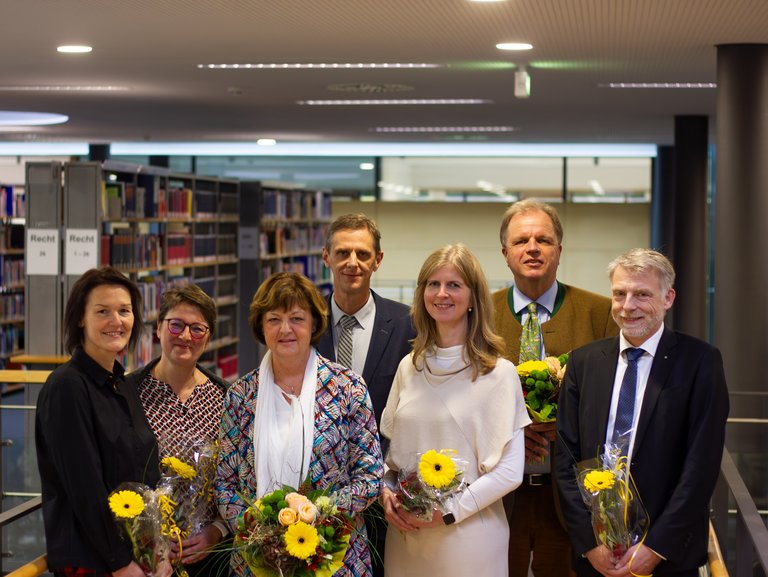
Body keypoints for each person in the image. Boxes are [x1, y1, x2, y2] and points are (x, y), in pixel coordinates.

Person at [555, 248, 729, 577]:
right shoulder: (584, 362)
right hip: (596, 557)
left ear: (668, 298)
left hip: (667, 557)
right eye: (619, 294)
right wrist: (589, 544)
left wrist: (656, 546)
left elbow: (701, 465)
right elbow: (565, 457)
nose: (628, 306)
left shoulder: (700, 362)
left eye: (642, 294)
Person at [215, 271, 384, 577]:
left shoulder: (348, 389)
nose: (285, 329)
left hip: (334, 558)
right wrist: (263, 531)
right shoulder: (240, 396)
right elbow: (225, 485)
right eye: (274, 319)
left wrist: (316, 517)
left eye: (296, 318)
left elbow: (371, 476)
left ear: (314, 324)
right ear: (261, 327)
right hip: (257, 561)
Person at [380, 243, 530, 577]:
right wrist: (386, 492)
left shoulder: (499, 373)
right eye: (433, 284)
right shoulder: (409, 367)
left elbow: (510, 472)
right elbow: (392, 458)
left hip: (470, 536)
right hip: (407, 535)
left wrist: (448, 512)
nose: (441, 293)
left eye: (454, 285)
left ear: (474, 298)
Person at [492, 199, 619, 577]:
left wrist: (562, 429)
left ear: (559, 251)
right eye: (521, 241)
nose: (532, 248)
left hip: (573, 497)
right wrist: (513, 432)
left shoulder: (602, 313)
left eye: (544, 240)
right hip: (500, 495)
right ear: (505, 253)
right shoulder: (478, 311)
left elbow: (612, 402)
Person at [35, 267, 160, 577]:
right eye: (102, 311)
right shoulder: (67, 387)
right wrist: (120, 563)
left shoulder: (122, 383)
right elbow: (84, 486)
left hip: (133, 553)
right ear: (81, 317)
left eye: (124, 311)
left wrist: (157, 547)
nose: (116, 321)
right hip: (94, 562)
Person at [316, 212, 416, 576]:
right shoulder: (303, 323)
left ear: (378, 259)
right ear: (326, 257)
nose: (352, 263)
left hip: (385, 496)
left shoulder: (409, 324)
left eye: (362, 254)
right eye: (342, 253)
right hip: (315, 497)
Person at [127, 284, 230, 577]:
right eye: (176, 325)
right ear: (158, 328)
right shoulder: (128, 395)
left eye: (197, 329)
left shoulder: (226, 397)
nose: (185, 336)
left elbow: (237, 475)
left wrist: (217, 531)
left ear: (208, 337)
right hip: (144, 557)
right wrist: (148, 540)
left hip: (208, 557)